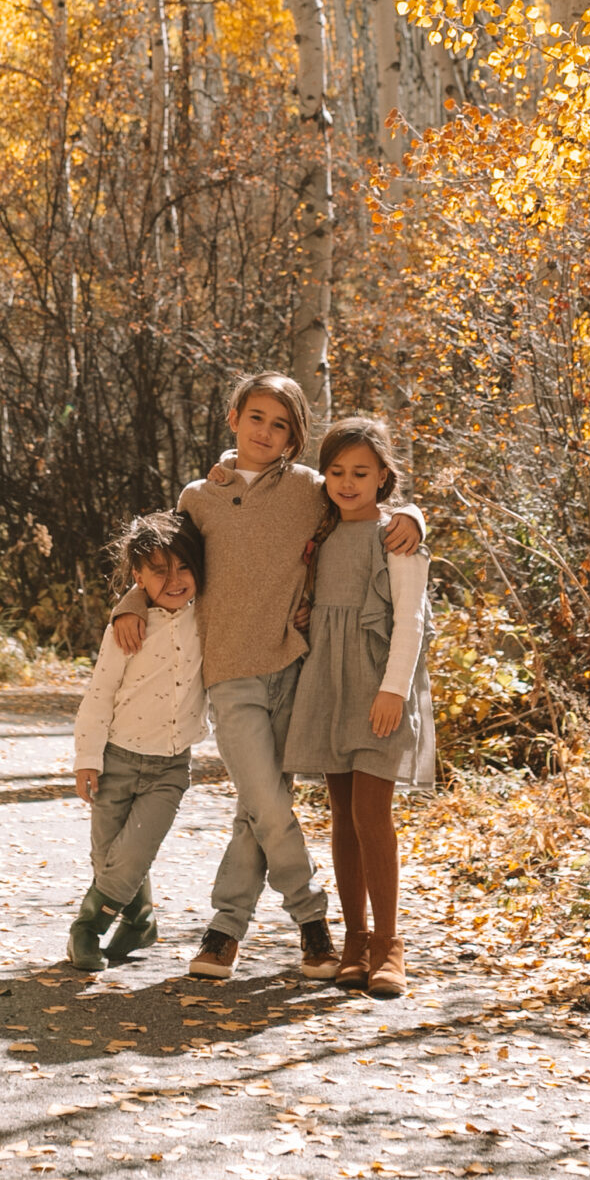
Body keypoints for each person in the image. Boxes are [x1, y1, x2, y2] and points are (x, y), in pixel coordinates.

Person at [112, 371, 425, 983]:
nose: (266, 431)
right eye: (256, 417)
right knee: (265, 802)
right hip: (230, 671)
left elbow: (369, 504)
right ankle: (313, 922)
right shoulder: (197, 497)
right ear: (234, 419)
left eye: (281, 424)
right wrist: (130, 599)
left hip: (298, 668)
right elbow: (168, 568)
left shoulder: (312, 489)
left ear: (295, 437)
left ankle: (224, 935)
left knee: (257, 808)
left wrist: (414, 513)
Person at [283, 415, 435, 999]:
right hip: (328, 684)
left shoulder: (395, 536)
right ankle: (353, 941)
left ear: (383, 478)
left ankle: (389, 945)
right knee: (342, 817)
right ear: (323, 476)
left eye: (361, 472)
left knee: (373, 816)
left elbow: (411, 621)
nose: (348, 482)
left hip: (378, 689)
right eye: (337, 471)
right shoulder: (320, 536)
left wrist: (393, 690)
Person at [69, 509, 208, 972]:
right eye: (159, 571)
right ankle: (142, 919)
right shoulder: (127, 626)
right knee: (107, 855)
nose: (174, 579)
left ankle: (86, 930)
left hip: (170, 766)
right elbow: (99, 694)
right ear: (138, 576)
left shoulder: (208, 617)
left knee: (132, 854)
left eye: (184, 567)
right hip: (117, 758)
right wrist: (87, 758)